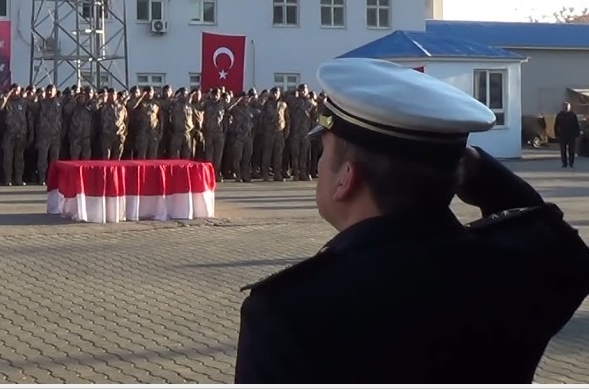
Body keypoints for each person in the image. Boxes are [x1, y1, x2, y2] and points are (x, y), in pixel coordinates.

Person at [234, 58, 589, 383]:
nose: (318, 165)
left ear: (346, 177)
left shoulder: (287, 312)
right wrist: (474, 168)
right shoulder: (514, 268)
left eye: (325, 151)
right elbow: (563, 247)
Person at [555, 102, 581, 168]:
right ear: (562, 107)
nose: (566, 108)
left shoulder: (573, 115)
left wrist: (577, 133)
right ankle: (564, 163)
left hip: (571, 135)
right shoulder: (559, 115)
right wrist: (557, 134)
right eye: (565, 106)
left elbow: (576, 125)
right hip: (562, 135)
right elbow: (556, 125)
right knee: (563, 150)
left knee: (571, 150)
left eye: (567, 106)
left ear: (570, 107)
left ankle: (571, 163)